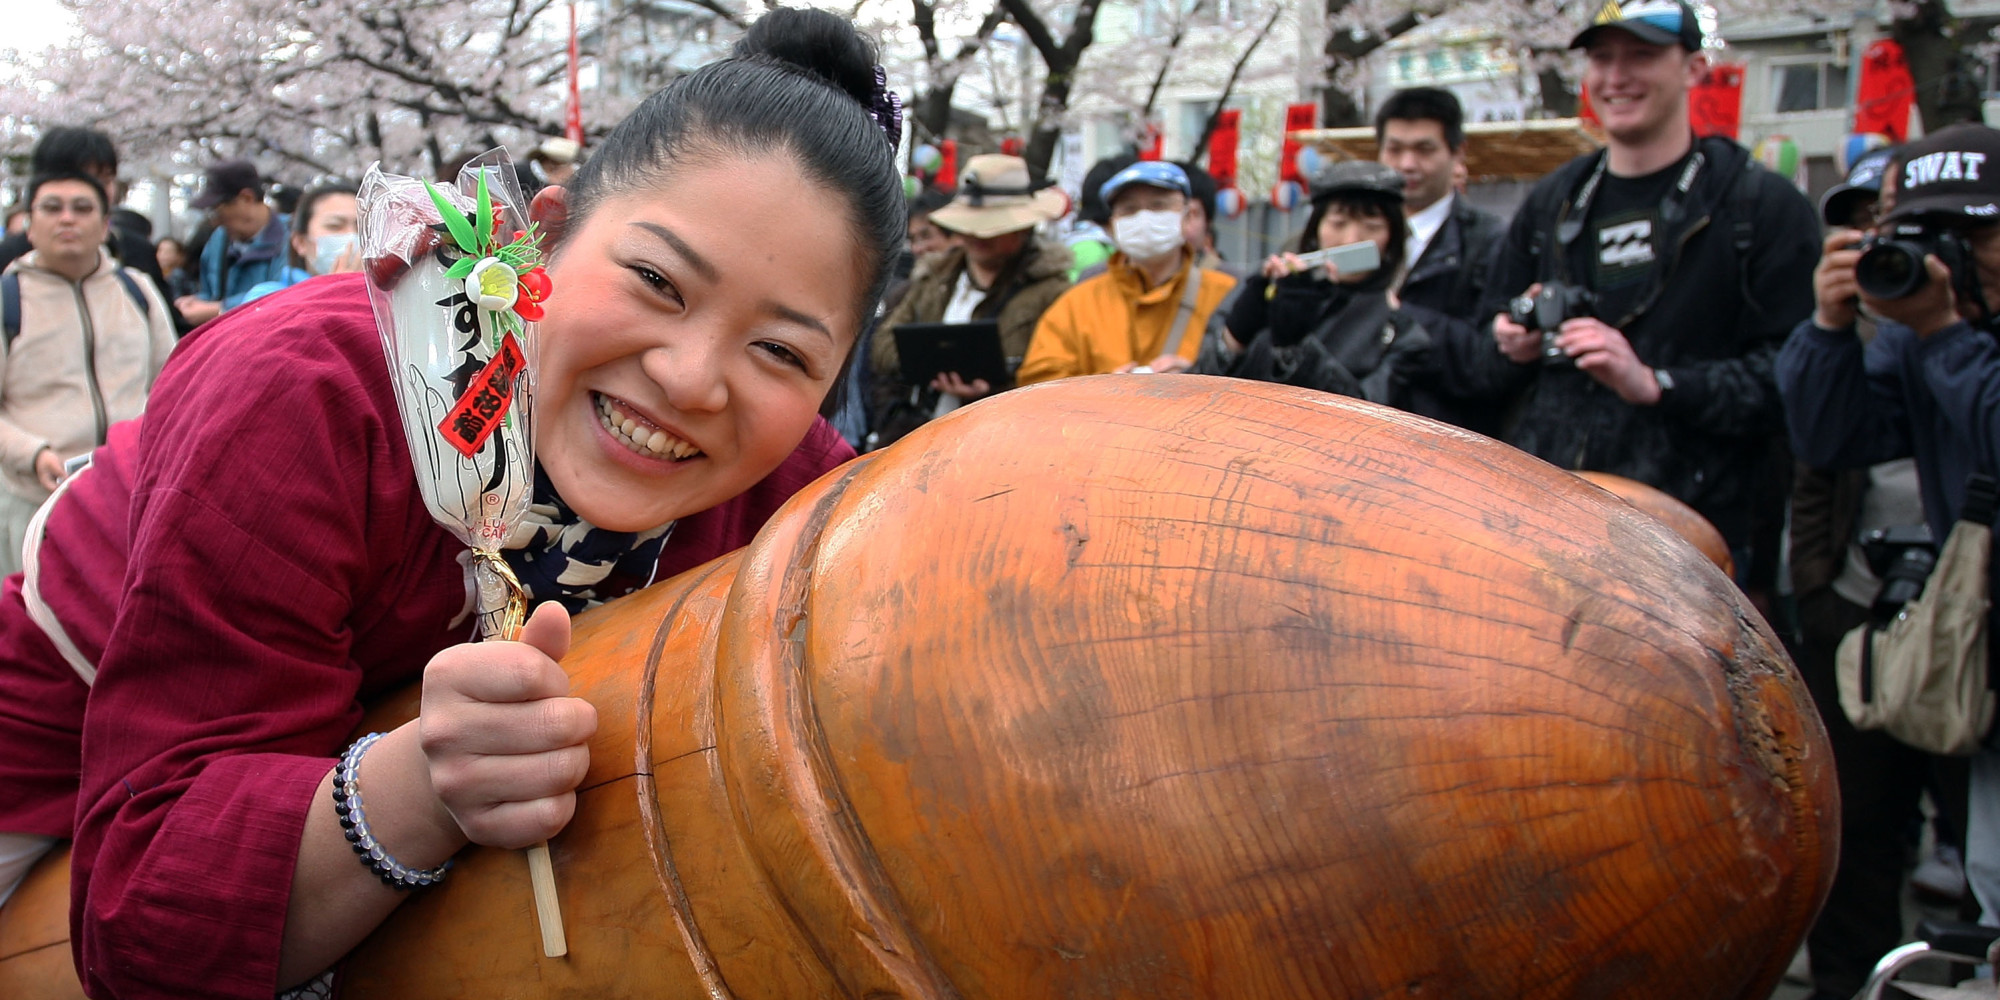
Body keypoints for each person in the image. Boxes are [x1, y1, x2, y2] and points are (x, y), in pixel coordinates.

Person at [0, 10, 904, 998]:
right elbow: (144, 922)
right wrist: (412, 790)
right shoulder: (308, 385)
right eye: (655, 279)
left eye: (780, 351)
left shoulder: (804, 499)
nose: (691, 381)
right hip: (58, 733)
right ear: (543, 236)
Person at [1450, 0, 1820, 566]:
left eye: (1641, 56)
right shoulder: (1553, 201)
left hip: (1694, 542)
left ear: (1693, 68)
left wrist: (1653, 382)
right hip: (1549, 524)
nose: (1616, 77)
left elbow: (1794, 379)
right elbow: (1477, 354)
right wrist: (1509, 344)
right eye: (1602, 58)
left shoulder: (1758, 205)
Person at [1778, 122, 2000, 990]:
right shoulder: (1919, 332)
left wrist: (1942, 329)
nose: (1948, 259)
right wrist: (1831, 328)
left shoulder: (1937, 330)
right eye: (1921, 234)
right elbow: (1832, 436)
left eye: (1973, 235)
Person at [0, 171, 174, 574]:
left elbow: (170, 384)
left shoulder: (137, 290)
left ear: (104, 225)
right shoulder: (8, 298)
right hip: (34, 501)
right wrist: (32, 453)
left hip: (130, 495)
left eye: (82, 209)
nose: (67, 219)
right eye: (51, 208)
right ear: (29, 224)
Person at [1197, 161, 1432, 410]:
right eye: (1338, 223)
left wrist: (1296, 349)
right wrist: (1234, 336)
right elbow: (1196, 386)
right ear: (1315, 229)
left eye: (1372, 227)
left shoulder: (1400, 332)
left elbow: (1370, 417)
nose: (1351, 239)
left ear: (1392, 238)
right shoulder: (1269, 287)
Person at [869, 154, 1071, 443]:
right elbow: (883, 349)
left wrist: (991, 390)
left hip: (1005, 441)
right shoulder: (935, 278)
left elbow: (1057, 381)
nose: (978, 235)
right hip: (921, 436)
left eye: (992, 226)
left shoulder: (1053, 292)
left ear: (1024, 227)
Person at [1016, 161, 1237, 383]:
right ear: (1112, 224)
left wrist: (1199, 375)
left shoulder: (1225, 295)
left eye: (1159, 205)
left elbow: (1254, 380)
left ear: (1187, 216)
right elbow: (1039, 388)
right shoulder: (1077, 305)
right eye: (1129, 209)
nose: (1144, 219)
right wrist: (1100, 391)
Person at [1374, 87, 1508, 433]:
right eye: (1395, 149)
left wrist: (1396, 314)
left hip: (1444, 445)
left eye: (1424, 149)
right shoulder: (1352, 234)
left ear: (1457, 152)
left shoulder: (1490, 242)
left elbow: (1487, 363)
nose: (1407, 164)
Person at [0, 128, 177, 327]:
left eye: (105, 180)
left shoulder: (137, 255)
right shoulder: (8, 261)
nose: (94, 191)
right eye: (83, 179)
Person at [178, 159, 294, 325]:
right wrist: (196, 302)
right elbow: (211, 292)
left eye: (216, 211)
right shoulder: (219, 239)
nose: (214, 221)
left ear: (247, 198)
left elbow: (288, 294)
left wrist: (221, 309)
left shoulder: (291, 236)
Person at [237, 181, 363, 305]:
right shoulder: (267, 297)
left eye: (362, 228)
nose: (352, 235)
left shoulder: (380, 299)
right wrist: (338, 292)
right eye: (334, 226)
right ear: (300, 242)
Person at [153, 236, 198, 300]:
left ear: (179, 255)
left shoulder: (178, 275)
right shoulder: (157, 275)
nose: (163, 255)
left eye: (168, 252)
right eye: (160, 250)